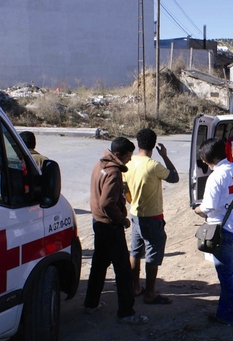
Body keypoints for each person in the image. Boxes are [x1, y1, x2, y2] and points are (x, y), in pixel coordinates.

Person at [84, 137, 149, 325]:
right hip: (111, 226)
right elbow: (106, 202)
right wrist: (121, 219)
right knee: (123, 271)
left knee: (98, 265)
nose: (129, 160)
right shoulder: (113, 173)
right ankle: (126, 312)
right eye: (128, 157)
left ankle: (91, 303)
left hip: (99, 223)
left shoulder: (100, 164)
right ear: (119, 155)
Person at [194, 138, 233, 325]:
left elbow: (208, 207)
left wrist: (197, 210)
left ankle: (227, 315)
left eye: (203, 159)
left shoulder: (216, 177)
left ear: (207, 158)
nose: (203, 162)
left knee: (226, 275)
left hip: (225, 231)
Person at [124, 128, 179, 305]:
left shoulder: (129, 162)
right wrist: (165, 156)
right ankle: (150, 293)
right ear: (154, 145)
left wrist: (131, 202)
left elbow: (124, 188)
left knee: (135, 252)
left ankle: (135, 287)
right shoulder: (154, 165)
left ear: (137, 143)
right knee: (152, 255)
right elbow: (174, 177)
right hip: (153, 216)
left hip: (135, 214)